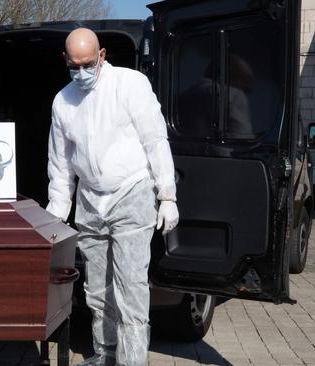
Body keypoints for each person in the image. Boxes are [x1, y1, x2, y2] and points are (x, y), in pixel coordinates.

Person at [46, 28, 179, 366]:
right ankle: (104, 355)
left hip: (131, 193)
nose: (81, 72)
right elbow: (60, 163)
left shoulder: (130, 85)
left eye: (88, 64)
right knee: (97, 290)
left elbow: (155, 139)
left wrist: (167, 195)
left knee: (131, 288)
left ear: (102, 56)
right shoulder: (63, 102)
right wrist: (57, 210)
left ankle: (132, 361)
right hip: (91, 201)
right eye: (74, 66)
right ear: (65, 61)